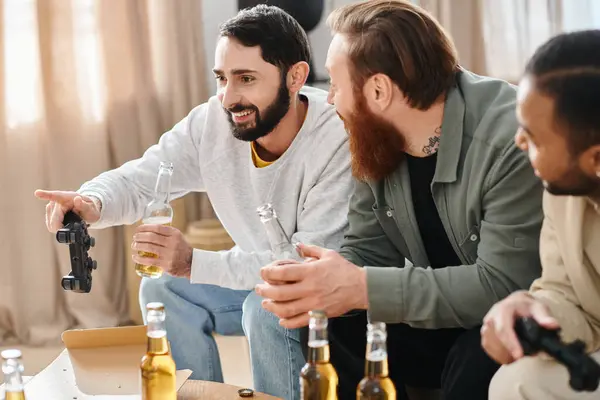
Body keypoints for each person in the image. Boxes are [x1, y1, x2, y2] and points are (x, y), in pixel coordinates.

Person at [35, 5, 352, 399]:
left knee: (263, 306)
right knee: (163, 290)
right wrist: (91, 201)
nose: (229, 97)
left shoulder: (335, 137)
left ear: (296, 77)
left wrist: (192, 262)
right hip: (258, 281)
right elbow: (143, 178)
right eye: (222, 78)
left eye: (246, 79)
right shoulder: (213, 122)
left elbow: (301, 266)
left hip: (322, 293)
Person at [255, 1, 545, 399]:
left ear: (378, 90)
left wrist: (363, 287)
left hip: (510, 315)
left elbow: (502, 285)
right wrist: (322, 281)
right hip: (440, 318)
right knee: (329, 321)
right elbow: (369, 251)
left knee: (477, 350)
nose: (328, 99)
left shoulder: (508, 140)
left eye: (336, 86)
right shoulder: (373, 137)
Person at [481, 30, 600, 399]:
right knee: (516, 381)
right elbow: (569, 295)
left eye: (533, 138)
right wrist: (531, 308)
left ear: (595, 158)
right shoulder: (563, 189)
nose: (519, 143)